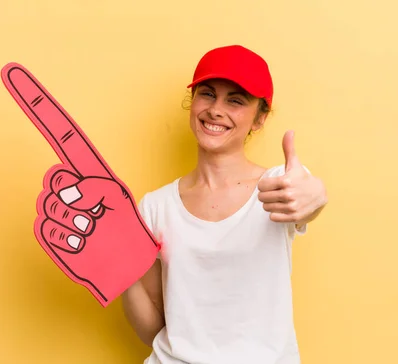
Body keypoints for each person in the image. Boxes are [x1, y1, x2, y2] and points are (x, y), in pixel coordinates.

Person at [121, 45, 328, 364]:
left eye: (235, 100)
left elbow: (308, 195)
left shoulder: (278, 185)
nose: (216, 110)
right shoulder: (154, 207)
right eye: (207, 94)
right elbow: (155, 330)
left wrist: (314, 196)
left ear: (259, 118)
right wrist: (116, 265)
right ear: (192, 104)